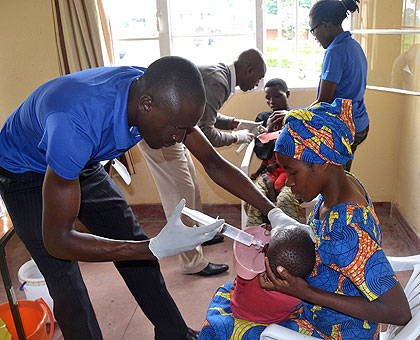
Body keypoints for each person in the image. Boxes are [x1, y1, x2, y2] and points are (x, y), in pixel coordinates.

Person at [0, 56, 301, 340]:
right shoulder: (75, 125)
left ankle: (174, 333)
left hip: (83, 159)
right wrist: (152, 247)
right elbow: (59, 240)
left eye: (186, 128)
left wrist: (273, 212)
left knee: (131, 240)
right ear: (146, 106)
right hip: (24, 171)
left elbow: (212, 162)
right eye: (176, 129)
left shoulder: (157, 95)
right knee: (65, 278)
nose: (180, 138)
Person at [258, 98, 411, 339]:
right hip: (322, 311)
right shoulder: (342, 187)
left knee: (230, 325)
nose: (288, 182)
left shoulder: (346, 227)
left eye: (292, 171)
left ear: (321, 164)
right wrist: (288, 237)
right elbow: (331, 249)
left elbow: (399, 312)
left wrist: (307, 293)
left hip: (336, 331)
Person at [138, 49, 266, 276]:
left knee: (191, 189)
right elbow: (206, 134)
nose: (256, 86)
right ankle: (191, 262)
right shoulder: (218, 82)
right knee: (180, 197)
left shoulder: (220, 75)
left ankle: (197, 236)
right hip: (161, 135)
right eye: (257, 80)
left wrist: (239, 124)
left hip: (176, 132)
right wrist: (238, 137)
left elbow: (208, 117)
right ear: (249, 70)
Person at [270, 0, 368, 172]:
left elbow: (323, 102)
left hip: (345, 128)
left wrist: (291, 115)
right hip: (360, 122)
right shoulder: (353, 45)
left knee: (335, 182)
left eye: (313, 30)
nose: (314, 37)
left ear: (326, 25)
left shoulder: (335, 51)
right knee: (340, 176)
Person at [199, 225, 315, 339]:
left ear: (266, 255)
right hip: (272, 323)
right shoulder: (295, 297)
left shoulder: (248, 273)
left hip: (237, 311)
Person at [245, 79, 301, 225]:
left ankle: (288, 241)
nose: (272, 101)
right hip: (269, 174)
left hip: (294, 173)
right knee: (255, 198)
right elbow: (261, 153)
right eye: (268, 98)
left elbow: (302, 153)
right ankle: (257, 242)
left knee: (285, 200)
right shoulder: (263, 119)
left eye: (277, 96)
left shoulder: (297, 118)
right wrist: (269, 131)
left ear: (287, 94)